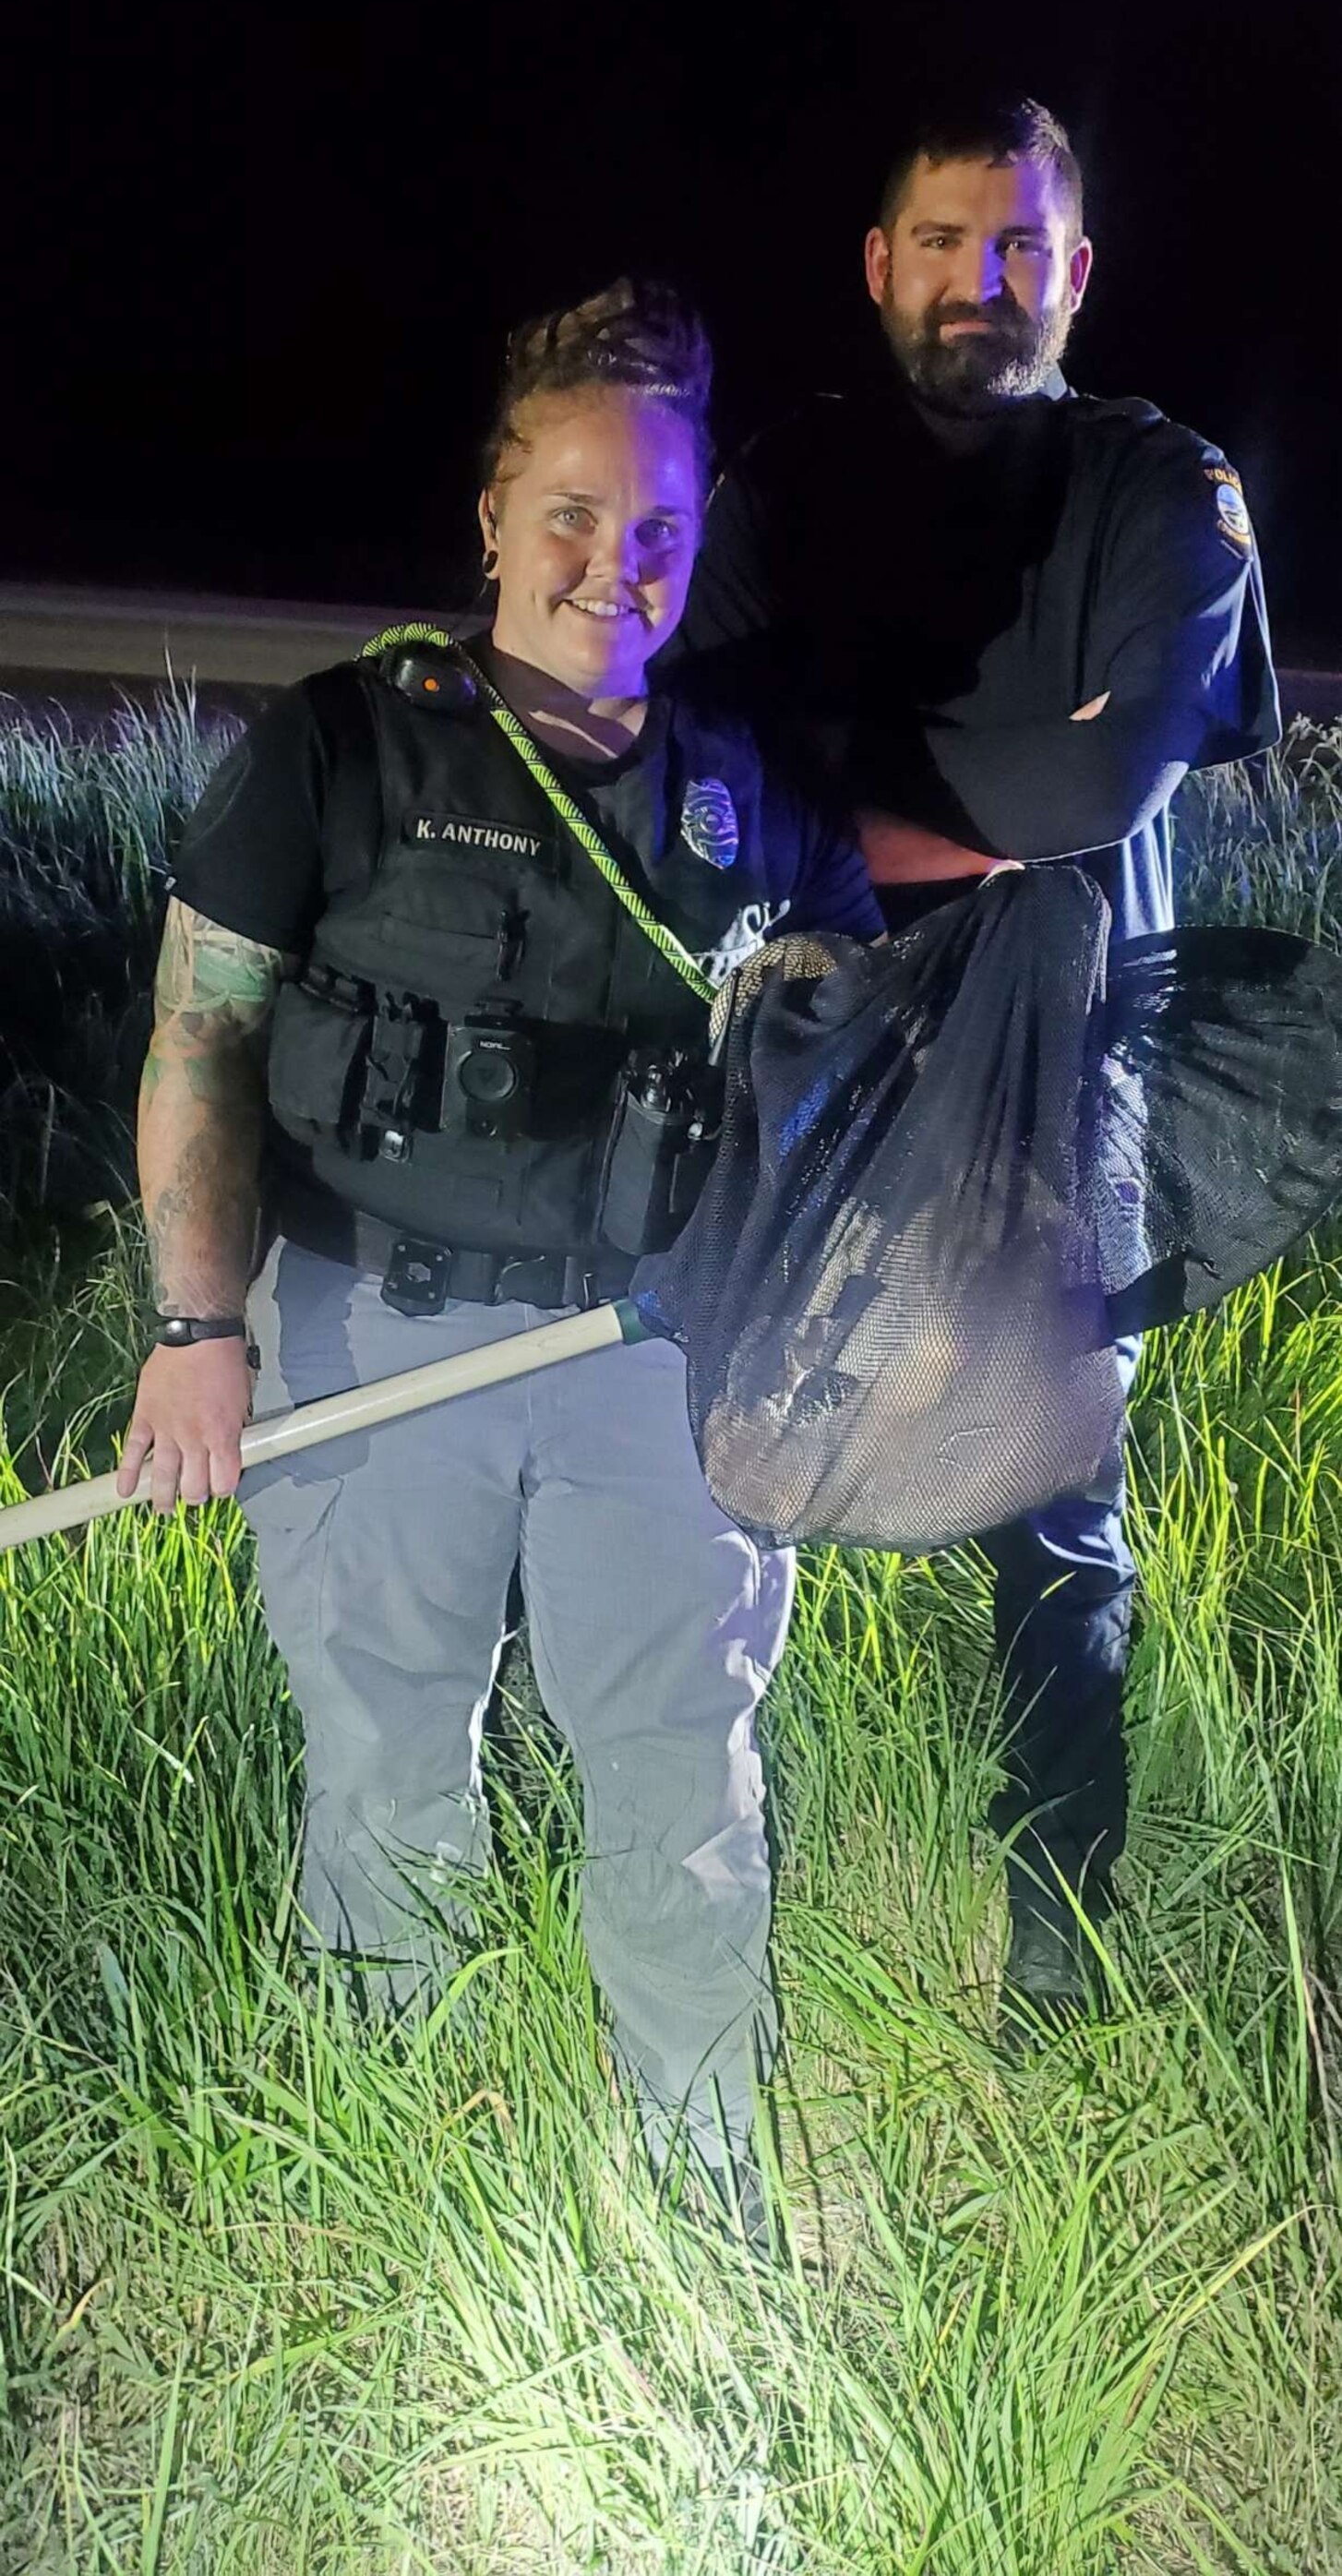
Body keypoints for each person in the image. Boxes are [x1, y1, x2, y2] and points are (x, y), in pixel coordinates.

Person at [115, 281, 882, 2214]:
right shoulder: (340, 745)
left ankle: (710, 2195)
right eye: (572, 514)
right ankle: (398, 2191)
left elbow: (865, 1082)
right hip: (377, 1341)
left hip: (653, 1367)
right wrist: (197, 1325)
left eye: (660, 532)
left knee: (679, 1778)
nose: (613, 566)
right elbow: (200, 1037)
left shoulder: (762, 791)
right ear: (491, 516)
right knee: (382, 1768)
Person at [673, 96, 1279, 2024]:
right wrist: (961, 818)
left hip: (1074, 1071)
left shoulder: (1159, 484)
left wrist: (849, 799)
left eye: (1019, 244)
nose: (979, 281)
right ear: (878, 264)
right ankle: (668, 1908)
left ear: (1073, 271)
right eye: (941, 242)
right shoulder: (780, 480)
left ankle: (1059, 1951)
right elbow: (713, 786)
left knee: (1057, 1512)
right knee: (700, 1454)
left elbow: (1112, 775)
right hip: (822, 1066)